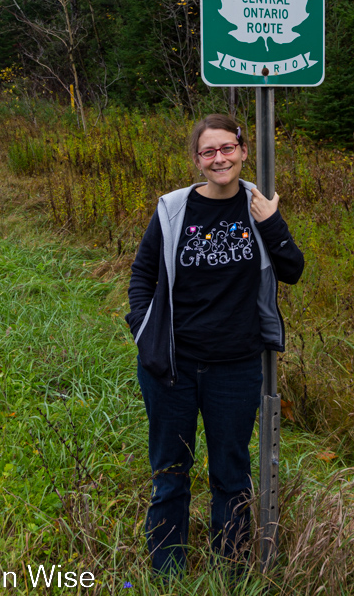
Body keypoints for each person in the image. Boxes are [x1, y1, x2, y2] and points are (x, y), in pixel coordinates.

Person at [126, 113, 304, 575]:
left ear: (244, 152)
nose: (219, 158)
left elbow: (293, 270)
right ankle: (167, 572)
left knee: (230, 474)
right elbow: (143, 275)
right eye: (209, 151)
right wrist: (144, 333)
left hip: (237, 367)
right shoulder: (174, 209)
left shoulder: (258, 207)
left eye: (228, 148)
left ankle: (234, 571)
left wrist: (273, 223)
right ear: (197, 160)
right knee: (170, 473)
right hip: (172, 367)